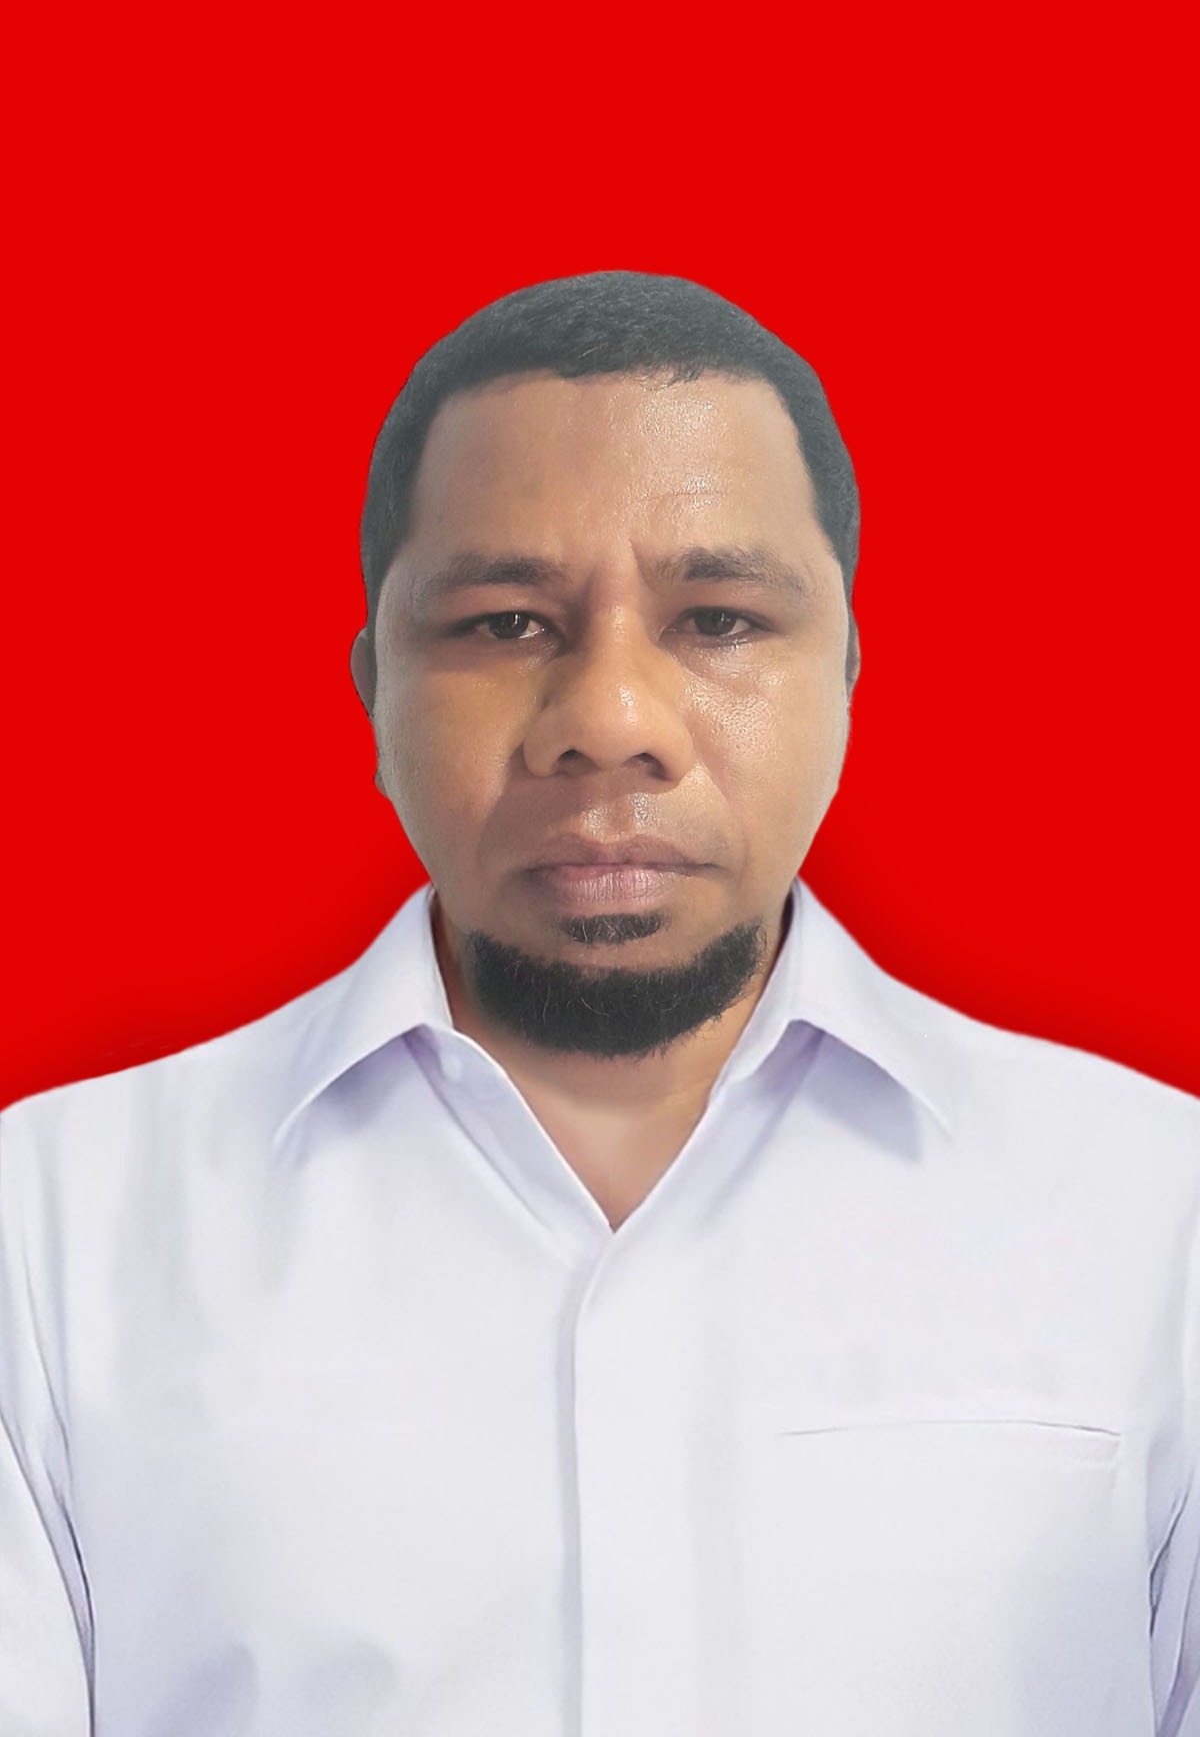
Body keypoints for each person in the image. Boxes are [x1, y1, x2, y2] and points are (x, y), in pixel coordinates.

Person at [1, 270, 1196, 1737]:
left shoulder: (1161, 1221)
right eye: (506, 622)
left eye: (720, 617)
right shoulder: (46, 1234)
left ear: (846, 675)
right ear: (376, 688)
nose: (611, 722)